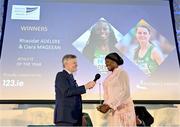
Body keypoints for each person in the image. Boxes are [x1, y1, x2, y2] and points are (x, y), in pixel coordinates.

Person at [54, 54, 96, 126]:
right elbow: (67, 92)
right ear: (66, 64)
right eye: (74, 63)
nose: (76, 65)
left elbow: (73, 92)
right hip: (65, 117)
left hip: (73, 117)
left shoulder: (70, 76)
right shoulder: (61, 75)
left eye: (76, 63)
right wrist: (85, 86)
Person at [97, 52, 136, 126]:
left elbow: (125, 92)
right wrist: (104, 105)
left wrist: (109, 105)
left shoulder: (122, 72)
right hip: (114, 110)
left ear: (114, 61)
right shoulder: (111, 75)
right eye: (105, 63)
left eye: (107, 62)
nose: (106, 65)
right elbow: (108, 94)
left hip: (124, 110)